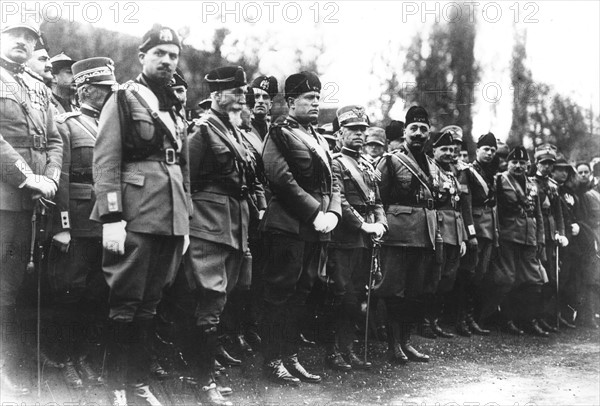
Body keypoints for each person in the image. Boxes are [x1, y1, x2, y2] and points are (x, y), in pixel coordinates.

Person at [91, 25, 190, 406]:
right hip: (135, 213)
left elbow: (183, 168)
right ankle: (116, 385)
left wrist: (185, 219)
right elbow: (106, 160)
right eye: (159, 53)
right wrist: (112, 216)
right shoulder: (123, 98)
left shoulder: (175, 104)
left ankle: (138, 383)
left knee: (151, 303)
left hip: (170, 215)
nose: (167, 61)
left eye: (173, 55)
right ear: (142, 57)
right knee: (126, 301)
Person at [179, 65, 263, 406]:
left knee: (223, 297)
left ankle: (202, 376)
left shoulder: (234, 130)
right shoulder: (201, 130)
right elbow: (186, 181)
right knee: (209, 301)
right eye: (236, 92)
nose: (243, 97)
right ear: (216, 96)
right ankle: (203, 384)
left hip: (234, 224)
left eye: (243, 92)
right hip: (208, 225)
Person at [260, 71, 341, 385]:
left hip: (316, 227)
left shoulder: (318, 137)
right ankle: (272, 360)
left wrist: (332, 212)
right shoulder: (279, 132)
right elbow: (280, 178)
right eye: (309, 98)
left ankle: (291, 355)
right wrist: (313, 212)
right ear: (291, 101)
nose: (315, 104)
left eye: (318, 98)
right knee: (280, 291)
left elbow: (333, 180)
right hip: (287, 225)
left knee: (303, 292)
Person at [0, 19, 62, 396]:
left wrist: (51, 177)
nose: (22, 43)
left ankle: (6, 363)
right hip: (5, 199)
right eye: (14, 36)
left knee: (10, 286)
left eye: (30, 39)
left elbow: (54, 140)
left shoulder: (39, 88)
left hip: (31, 202)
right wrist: (28, 177)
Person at [49, 57, 116, 388]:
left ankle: (85, 354)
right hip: (77, 218)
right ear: (86, 89)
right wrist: (62, 225)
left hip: (108, 219)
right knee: (71, 290)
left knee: (98, 290)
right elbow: (60, 178)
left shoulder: (114, 124)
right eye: (104, 89)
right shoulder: (67, 124)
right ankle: (64, 358)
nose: (109, 95)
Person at [324, 105, 387, 371]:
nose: (359, 135)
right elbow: (341, 201)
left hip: (366, 238)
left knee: (359, 294)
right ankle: (333, 350)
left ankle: (348, 348)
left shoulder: (367, 165)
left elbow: (377, 201)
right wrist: (365, 226)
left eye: (362, 130)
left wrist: (382, 223)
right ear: (339, 134)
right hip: (344, 237)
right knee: (342, 296)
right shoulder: (335, 163)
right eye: (353, 130)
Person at [375, 106, 437, 364]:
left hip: (424, 234)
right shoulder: (391, 160)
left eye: (423, 129)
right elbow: (378, 198)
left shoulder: (431, 164)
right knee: (394, 290)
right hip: (398, 234)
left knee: (415, 291)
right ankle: (394, 345)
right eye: (414, 129)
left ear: (429, 132)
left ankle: (406, 341)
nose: (419, 134)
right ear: (405, 131)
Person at [495, 146, 547, 337]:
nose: (518, 166)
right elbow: (496, 210)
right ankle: (507, 319)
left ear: (528, 165)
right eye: (514, 162)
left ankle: (529, 319)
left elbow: (538, 214)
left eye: (522, 163)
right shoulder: (500, 180)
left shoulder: (532, 184)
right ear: (507, 164)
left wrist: (540, 238)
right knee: (508, 277)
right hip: (508, 235)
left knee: (533, 279)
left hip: (529, 236)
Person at [458, 133, 498, 335]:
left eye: (492, 150)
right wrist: (470, 232)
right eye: (486, 149)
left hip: (489, 229)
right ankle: (461, 319)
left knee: (480, 275)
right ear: (477, 150)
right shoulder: (468, 172)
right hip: (475, 228)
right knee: (469, 274)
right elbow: (465, 204)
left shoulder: (492, 172)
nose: (489, 153)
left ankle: (471, 317)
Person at [532, 144, 568, 332]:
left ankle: (544, 315)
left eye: (550, 164)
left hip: (551, 235)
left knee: (552, 280)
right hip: (537, 233)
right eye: (543, 163)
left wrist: (561, 233)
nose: (547, 167)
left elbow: (559, 213)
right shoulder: (530, 182)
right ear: (536, 163)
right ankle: (533, 318)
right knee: (539, 278)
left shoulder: (553, 187)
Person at [248, 74, 277, 140]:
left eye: (265, 97)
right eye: (256, 96)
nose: (261, 101)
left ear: (270, 104)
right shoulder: (241, 128)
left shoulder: (274, 132)